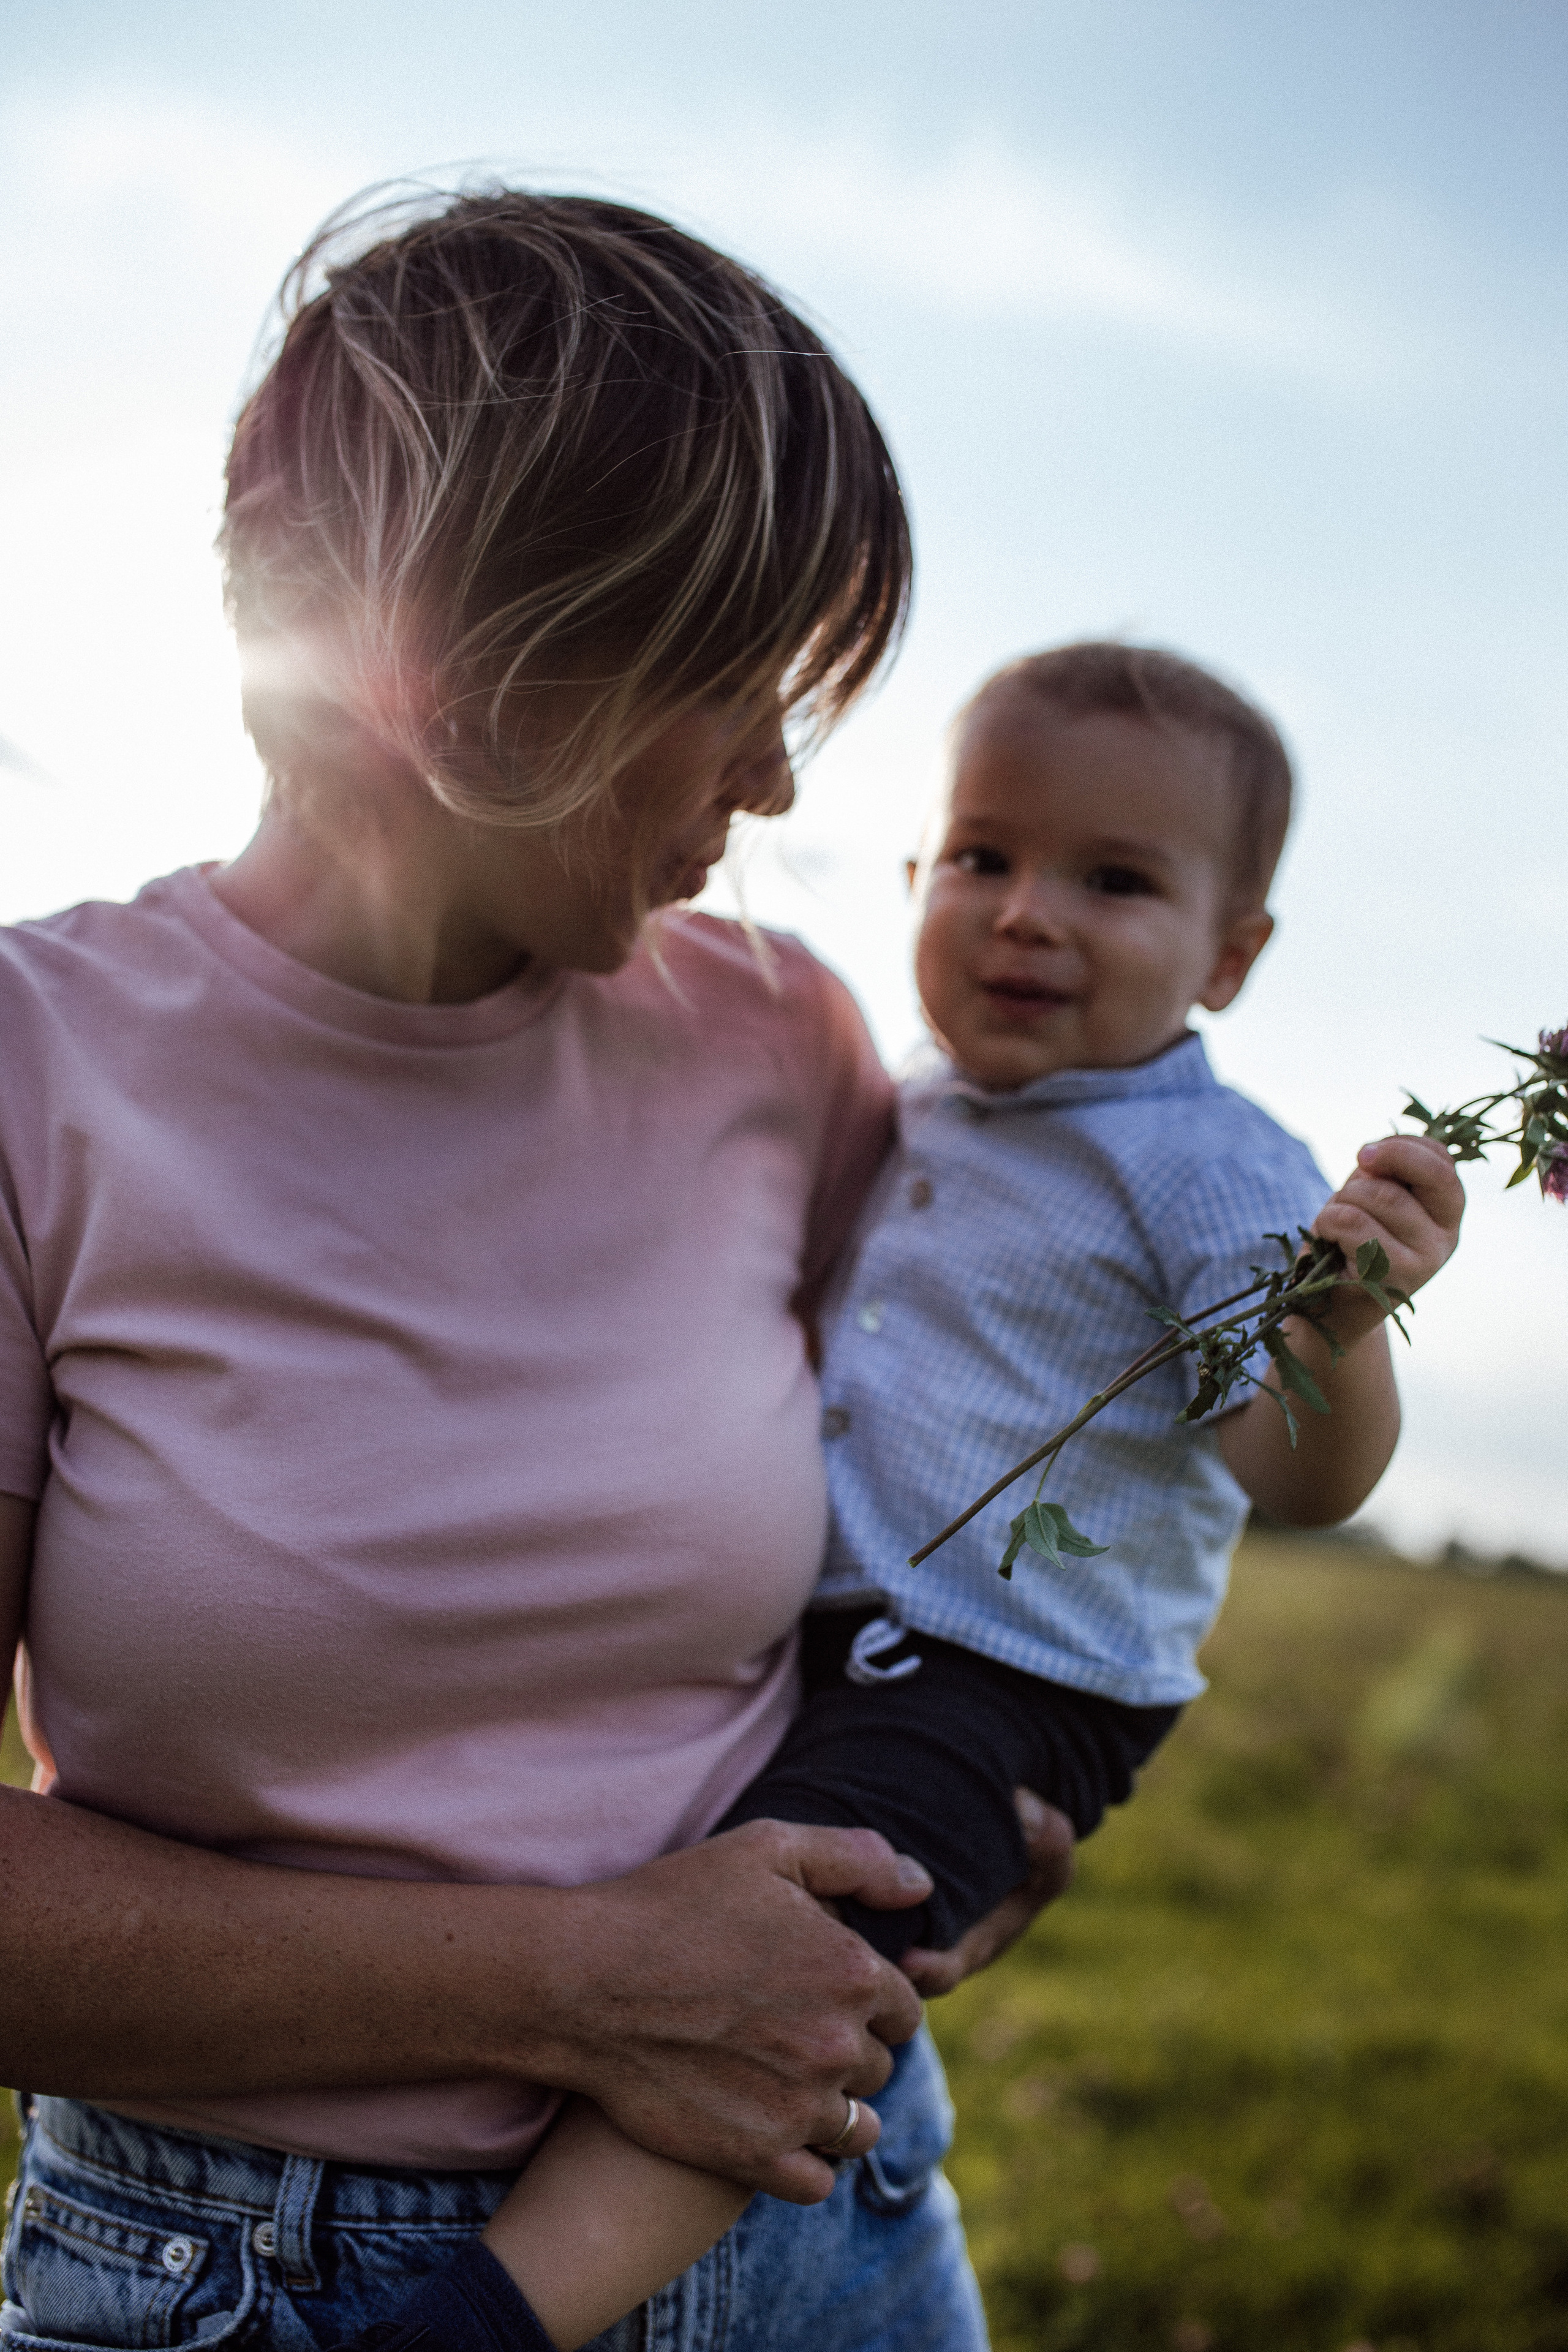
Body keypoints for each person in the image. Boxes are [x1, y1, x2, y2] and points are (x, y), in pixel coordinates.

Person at [0, 188, 1060, 2352]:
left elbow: (1037, 1390)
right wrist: (592, 1980)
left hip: (834, 2209)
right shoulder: (41, 1073)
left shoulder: (781, 1039)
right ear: (482, 687)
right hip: (267, 2282)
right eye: (730, 687)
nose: (775, 778)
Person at [336, 642, 1465, 2351]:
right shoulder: (917, 1111)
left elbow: (1294, 1473)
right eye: (986, 858)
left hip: (1011, 1667)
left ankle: (494, 2318)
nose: (1027, 915)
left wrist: (1339, 1328)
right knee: (720, 1908)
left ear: (1230, 955)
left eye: (1115, 881)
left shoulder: (1203, 1162)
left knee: (782, 1981)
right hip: (860, 1637)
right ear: (918, 875)